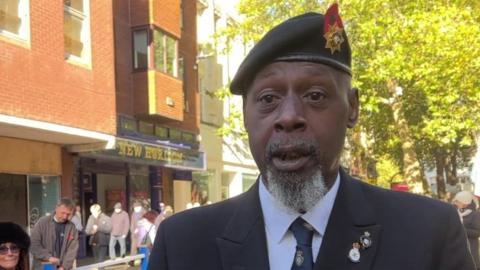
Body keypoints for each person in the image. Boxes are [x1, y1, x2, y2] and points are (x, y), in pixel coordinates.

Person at [148, 4, 475, 270]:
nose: (289, 116)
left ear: (352, 109)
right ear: (245, 115)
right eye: (268, 99)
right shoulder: (182, 244)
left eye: (315, 95)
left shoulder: (428, 233)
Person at [30, 198, 79, 270]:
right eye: (63, 213)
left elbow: (72, 250)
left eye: (68, 214)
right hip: (44, 266)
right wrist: (48, 257)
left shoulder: (71, 227)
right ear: (56, 209)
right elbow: (33, 244)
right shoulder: (42, 222)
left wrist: (64, 267)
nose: (65, 217)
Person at [453, 190, 480, 269]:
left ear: (464, 202)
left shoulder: (475, 215)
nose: (455, 203)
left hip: (471, 250)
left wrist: (462, 230)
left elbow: (477, 232)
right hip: (458, 249)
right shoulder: (456, 213)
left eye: (457, 201)